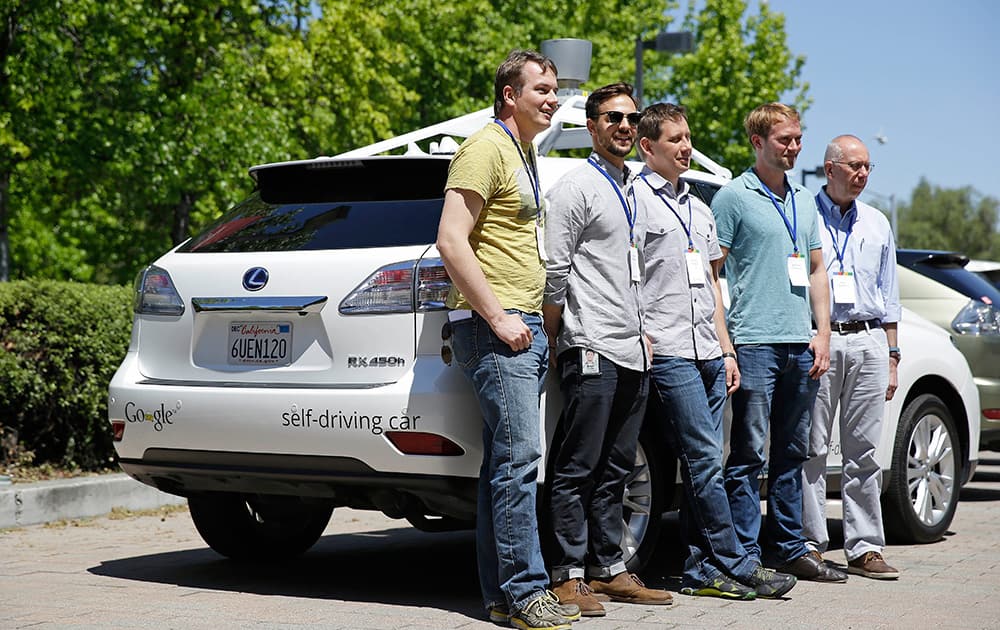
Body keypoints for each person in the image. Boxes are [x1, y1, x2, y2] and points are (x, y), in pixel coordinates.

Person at [435, 49, 581, 630]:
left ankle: (500, 596)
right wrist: (499, 318)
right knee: (521, 461)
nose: (552, 98)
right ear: (508, 96)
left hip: (522, 328)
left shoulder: (522, 151)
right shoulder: (486, 147)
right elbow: (451, 240)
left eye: (554, 88)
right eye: (541, 89)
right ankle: (527, 594)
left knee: (504, 462)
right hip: (497, 331)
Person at [634, 102, 797, 600]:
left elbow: (709, 284)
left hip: (707, 347)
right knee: (704, 458)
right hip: (669, 350)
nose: (686, 147)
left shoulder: (698, 207)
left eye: (687, 137)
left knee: (706, 460)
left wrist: (725, 349)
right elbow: (628, 278)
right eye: (675, 140)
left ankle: (703, 568)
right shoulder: (635, 201)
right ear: (648, 147)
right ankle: (738, 562)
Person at [543, 82, 672, 615]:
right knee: (578, 465)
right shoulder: (575, 187)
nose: (624, 125)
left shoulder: (635, 189)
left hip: (633, 349)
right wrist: (558, 337)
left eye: (631, 118)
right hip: (591, 341)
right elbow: (554, 271)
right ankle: (568, 575)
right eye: (613, 117)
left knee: (618, 466)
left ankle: (609, 568)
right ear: (591, 126)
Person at [710, 102, 847, 582]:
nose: (794, 148)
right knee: (748, 455)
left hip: (800, 344)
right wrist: (725, 342)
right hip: (753, 343)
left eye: (797, 139)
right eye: (784, 140)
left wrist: (823, 332)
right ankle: (745, 556)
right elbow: (712, 273)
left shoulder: (804, 200)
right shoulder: (732, 197)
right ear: (758, 143)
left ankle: (790, 549)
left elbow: (815, 270)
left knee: (792, 453)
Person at [802, 135, 901, 580]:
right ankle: (809, 544)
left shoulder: (877, 222)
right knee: (813, 448)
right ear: (830, 168)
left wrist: (893, 354)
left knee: (864, 452)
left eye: (868, 167)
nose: (862, 174)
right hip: (820, 339)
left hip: (868, 340)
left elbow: (890, 294)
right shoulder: (804, 212)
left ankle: (864, 547)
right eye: (855, 166)